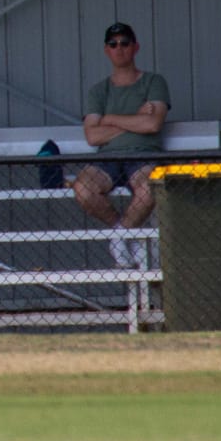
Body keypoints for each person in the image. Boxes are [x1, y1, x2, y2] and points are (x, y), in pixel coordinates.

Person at [72, 21, 172, 266]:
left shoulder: (153, 82)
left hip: (144, 154)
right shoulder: (99, 91)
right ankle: (128, 234)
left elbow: (153, 125)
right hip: (107, 158)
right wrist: (136, 117)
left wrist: (108, 119)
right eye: (113, 44)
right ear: (106, 50)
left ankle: (119, 237)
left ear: (135, 47)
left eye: (125, 43)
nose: (119, 48)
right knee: (83, 189)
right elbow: (92, 137)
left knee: (150, 189)